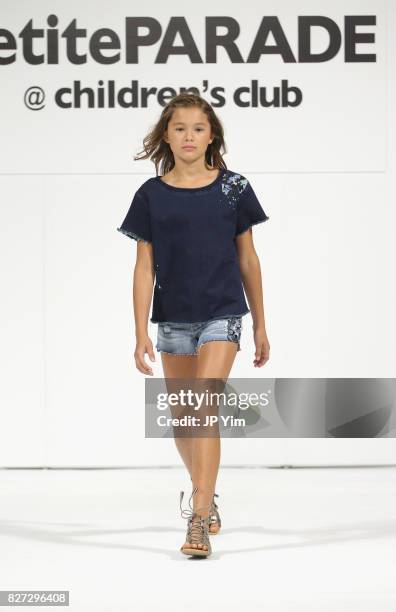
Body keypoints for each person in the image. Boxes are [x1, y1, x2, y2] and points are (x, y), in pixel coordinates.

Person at [117, 92, 270, 558]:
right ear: (166, 134)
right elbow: (144, 268)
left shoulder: (234, 189)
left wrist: (260, 324)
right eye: (179, 128)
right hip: (172, 320)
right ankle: (204, 488)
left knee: (204, 407)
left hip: (223, 313)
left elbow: (249, 258)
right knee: (184, 421)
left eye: (198, 128)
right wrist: (140, 331)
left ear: (212, 136)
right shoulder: (150, 195)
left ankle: (198, 517)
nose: (189, 136)